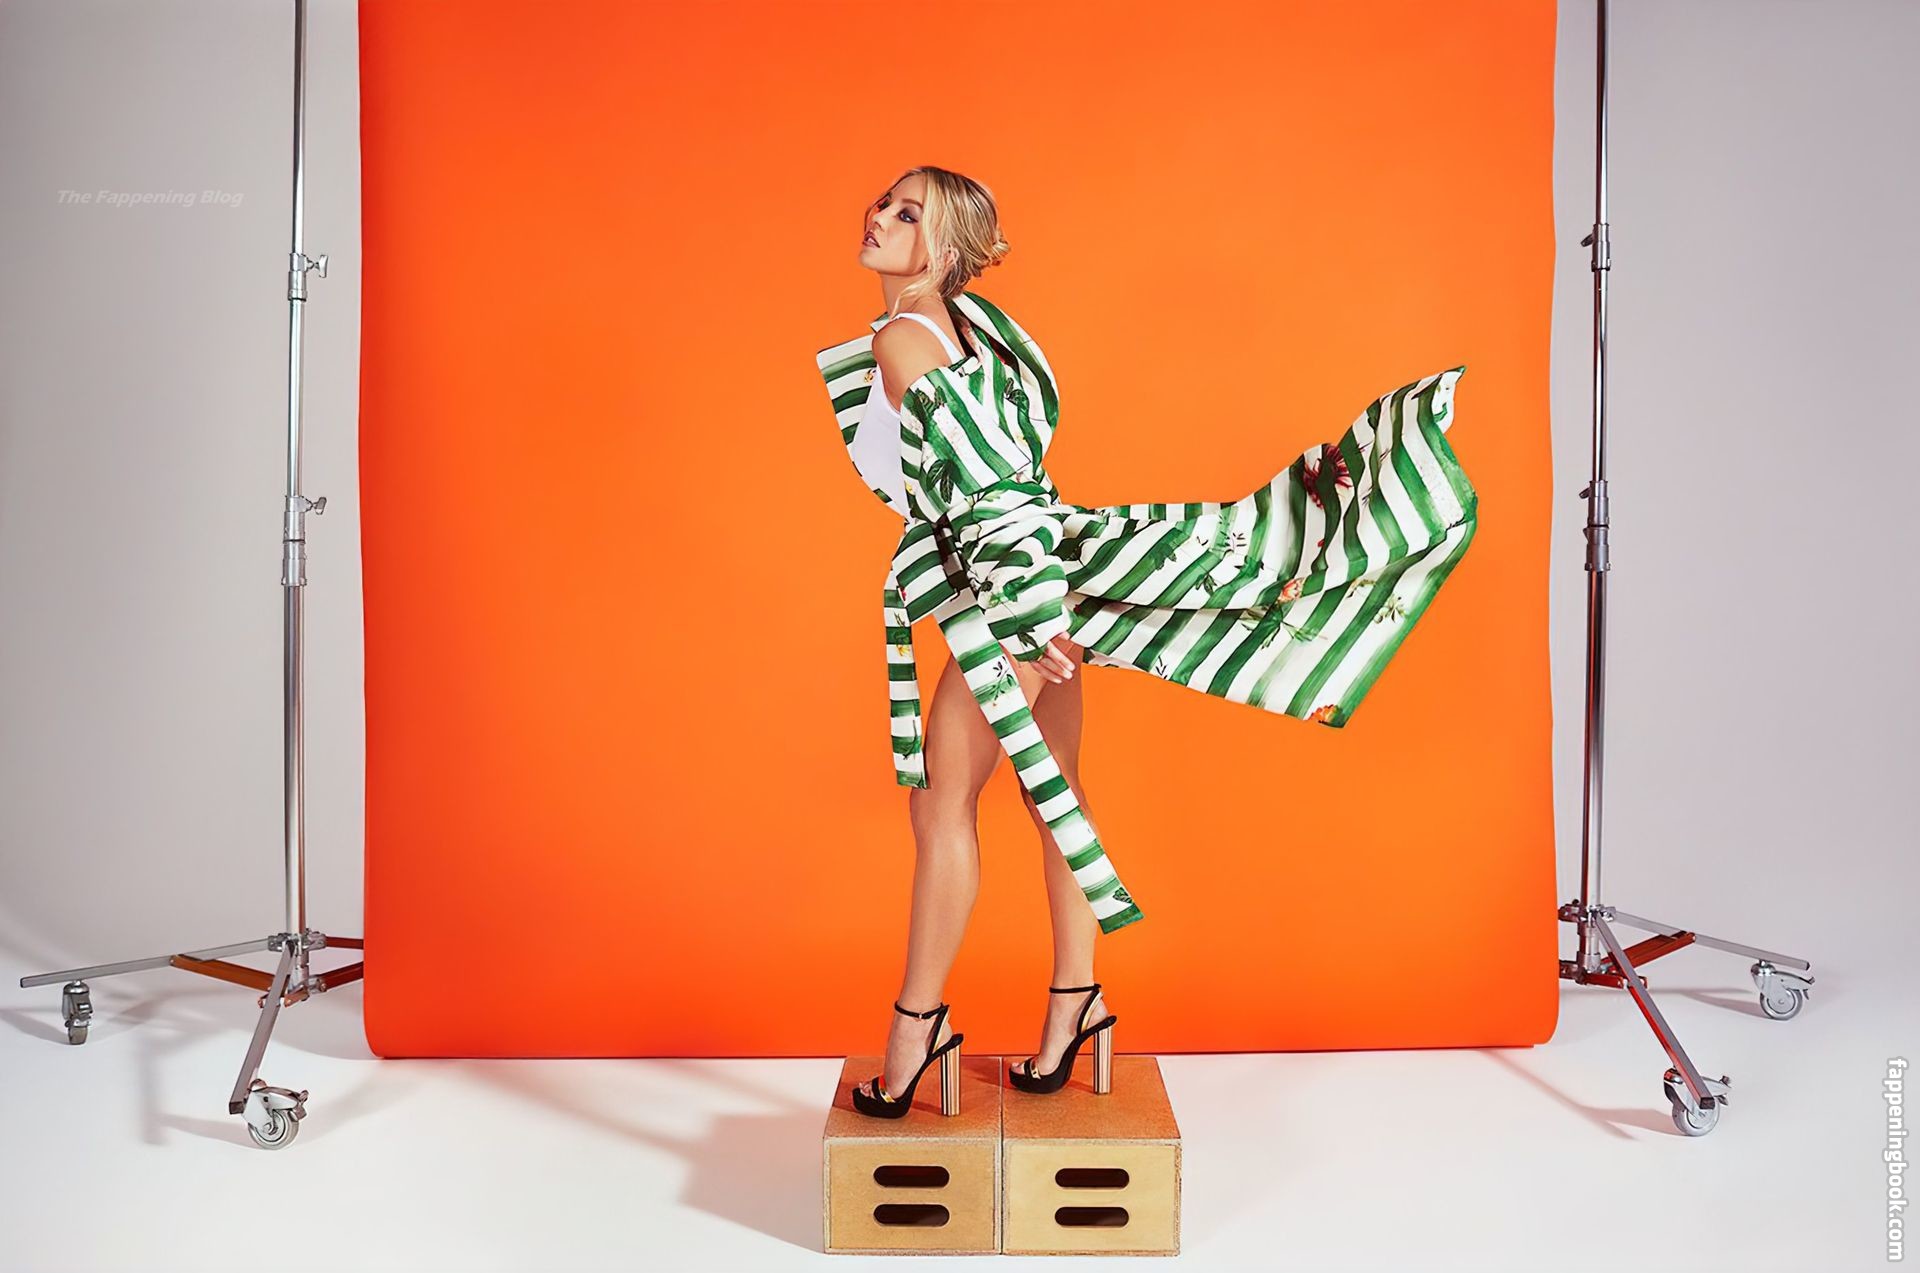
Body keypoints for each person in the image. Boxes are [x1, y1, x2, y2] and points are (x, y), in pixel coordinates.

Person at [843, 168, 1113, 1116]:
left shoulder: (905, 340)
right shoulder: (981, 332)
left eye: (908, 213)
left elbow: (987, 484)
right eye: (884, 201)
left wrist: (1031, 610)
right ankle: (1078, 1002)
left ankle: (915, 1031)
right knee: (1056, 793)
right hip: (1044, 569)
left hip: (1015, 584)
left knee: (941, 805)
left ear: (946, 246)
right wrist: (1049, 593)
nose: (879, 216)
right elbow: (1014, 469)